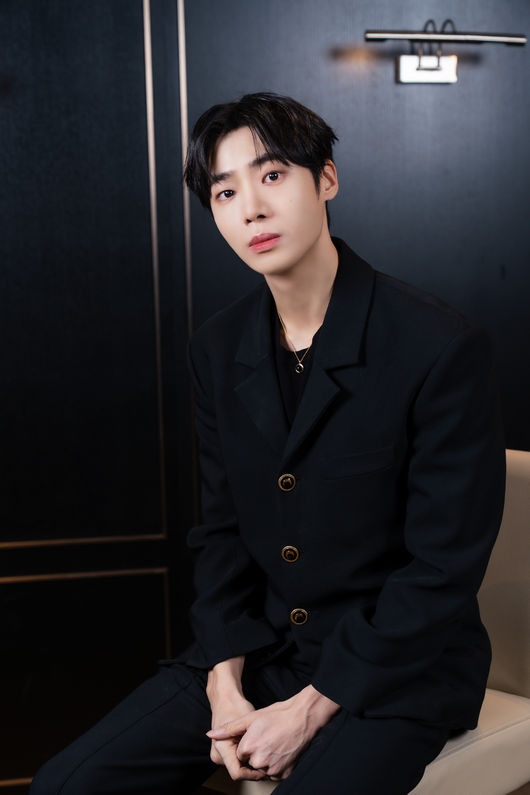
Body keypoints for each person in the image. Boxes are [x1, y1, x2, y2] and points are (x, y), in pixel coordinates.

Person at [31, 92, 506, 794]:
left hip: (399, 666)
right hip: (265, 648)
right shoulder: (217, 348)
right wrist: (223, 680)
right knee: (66, 785)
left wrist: (311, 706)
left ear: (327, 179)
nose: (250, 208)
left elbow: (441, 567)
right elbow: (222, 534)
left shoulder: (439, 345)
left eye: (273, 175)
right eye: (225, 192)